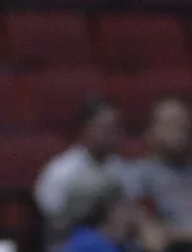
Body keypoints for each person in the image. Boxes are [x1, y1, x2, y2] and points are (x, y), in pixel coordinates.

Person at [122, 94, 192, 251]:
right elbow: (145, 233)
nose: (177, 131)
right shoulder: (136, 176)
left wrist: (170, 234)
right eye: (168, 124)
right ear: (150, 133)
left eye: (182, 123)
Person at [35, 98, 125, 240]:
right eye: (106, 128)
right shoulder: (61, 171)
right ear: (86, 129)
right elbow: (53, 217)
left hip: (115, 244)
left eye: (115, 128)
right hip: (70, 242)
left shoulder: (119, 167)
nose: (113, 135)